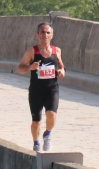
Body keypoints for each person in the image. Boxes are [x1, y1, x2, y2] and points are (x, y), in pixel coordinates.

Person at [16, 22, 66, 153]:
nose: (45, 35)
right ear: (37, 35)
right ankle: (36, 142)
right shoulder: (32, 51)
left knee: (52, 115)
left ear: (52, 35)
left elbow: (61, 66)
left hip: (52, 89)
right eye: (42, 32)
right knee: (36, 120)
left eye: (48, 32)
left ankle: (47, 134)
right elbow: (20, 68)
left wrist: (61, 71)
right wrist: (30, 67)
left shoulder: (57, 51)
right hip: (36, 91)